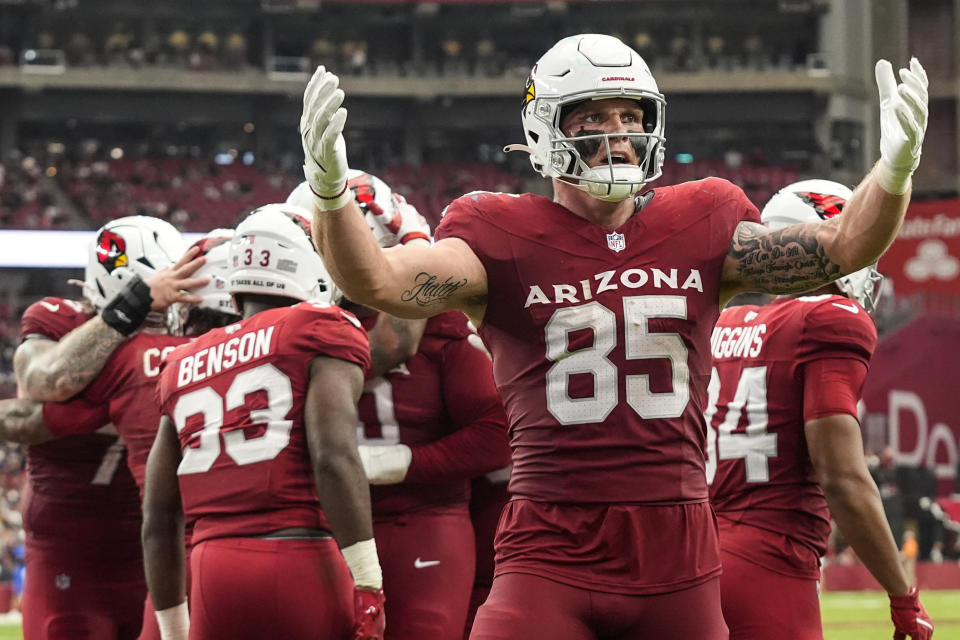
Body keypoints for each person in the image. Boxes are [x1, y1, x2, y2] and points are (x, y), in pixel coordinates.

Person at [301, 33, 929, 638]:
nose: (618, 136)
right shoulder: (496, 231)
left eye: (631, 116)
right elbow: (381, 281)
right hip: (548, 547)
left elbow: (842, 247)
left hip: (679, 553)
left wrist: (893, 172)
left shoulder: (704, 218)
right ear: (543, 129)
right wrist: (331, 195)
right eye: (591, 117)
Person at [143, 204, 383, 640]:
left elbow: (158, 516)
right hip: (298, 557)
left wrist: (173, 629)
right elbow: (333, 457)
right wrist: (369, 583)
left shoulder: (181, 360)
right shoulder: (321, 325)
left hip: (211, 568)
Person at [707, 180, 934, 640]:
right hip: (769, 562)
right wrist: (902, 593)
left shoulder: (724, 321)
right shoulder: (829, 317)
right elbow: (842, 478)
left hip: (691, 558)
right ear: (819, 236)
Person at [297, 170, 511, 639]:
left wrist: (404, 463)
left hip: (422, 518)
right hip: (314, 523)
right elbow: (383, 348)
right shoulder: (291, 326)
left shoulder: (443, 320)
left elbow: (498, 434)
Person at [0, 229, 238, 640]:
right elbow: (39, 383)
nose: (166, 318)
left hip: (152, 548)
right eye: (154, 303)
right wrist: (130, 316)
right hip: (69, 552)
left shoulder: (184, 337)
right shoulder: (60, 318)